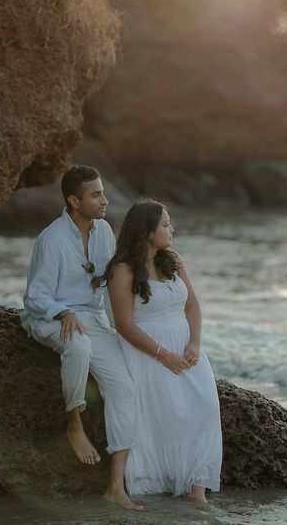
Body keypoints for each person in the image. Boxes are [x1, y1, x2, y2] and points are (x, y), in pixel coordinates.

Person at [20, 165, 142, 510]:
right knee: (78, 345)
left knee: (124, 386)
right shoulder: (51, 239)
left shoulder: (103, 231)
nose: (105, 200)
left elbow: (105, 286)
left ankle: (115, 487)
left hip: (90, 317)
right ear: (74, 200)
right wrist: (63, 312)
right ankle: (74, 424)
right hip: (49, 315)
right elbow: (35, 297)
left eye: (103, 192)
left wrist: (122, 328)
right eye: (96, 194)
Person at [104, 199, 222, 503]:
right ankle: (165, 483)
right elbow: (124, 324)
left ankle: (197, 489)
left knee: (205, 406)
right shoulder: (122, 269)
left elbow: (192, 305)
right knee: (168, 414)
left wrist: (194, 342)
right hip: (147, 353)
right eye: (166, 224)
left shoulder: (174, 260)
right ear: (148, 231)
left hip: (185, 351)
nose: (172, 229)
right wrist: (161, 355)